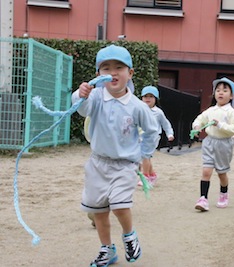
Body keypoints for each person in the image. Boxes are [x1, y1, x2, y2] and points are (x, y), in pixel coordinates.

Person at [71, 44, 159, 267]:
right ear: (98, 74)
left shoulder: (137, 106)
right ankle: (107, 249)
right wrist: (80, 94)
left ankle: (129, 235)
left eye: (119, 67)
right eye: (105, 68)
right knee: (98, 210)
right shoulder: (97, 97)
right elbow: (82, 108)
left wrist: (143, 154)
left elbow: (151, 131)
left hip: (124, 165)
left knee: (119, 205)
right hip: (98, 164)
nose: (112, 72)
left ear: (130, 73)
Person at [191, 77, 234, 211]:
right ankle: (203, 199)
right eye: (218, 90)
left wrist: (220, 125)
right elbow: (200, 119)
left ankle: (224, 194)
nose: (220, 93)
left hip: (224, 145)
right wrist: (196, 126)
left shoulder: (231, 112)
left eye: (225, 90)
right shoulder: (210, 110)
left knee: (221, 173)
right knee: (206, 171)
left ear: (231, 96)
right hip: (209, 142)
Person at [139, 85, 174, 186]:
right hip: (142, 136)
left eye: (151, 96)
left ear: (156, 99)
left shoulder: (158, 112)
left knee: (145, 156)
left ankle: (145, 177)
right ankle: (152, 175)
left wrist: (170, 133)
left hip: (152, 137)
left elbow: (166, 124)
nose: (148, 99)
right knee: (146, 157)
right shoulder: (139, 109)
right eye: (145, 96)